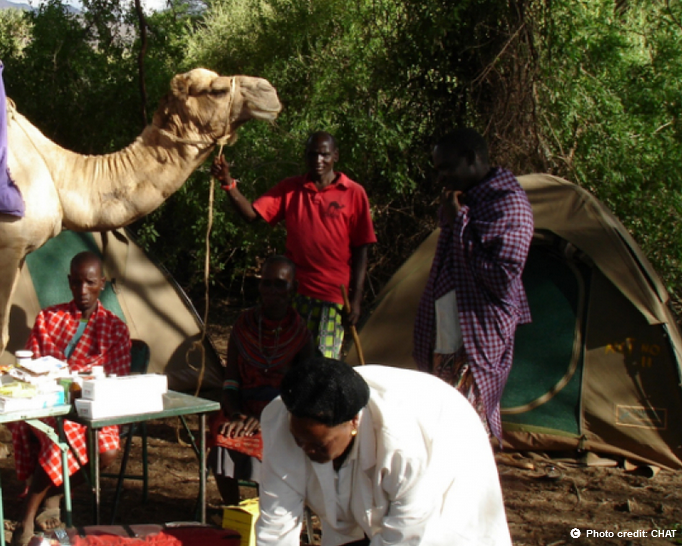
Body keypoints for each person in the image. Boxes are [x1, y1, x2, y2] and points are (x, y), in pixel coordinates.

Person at [256, 357, 512, 546]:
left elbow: (407, 531)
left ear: (353, 423)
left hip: (446, 437)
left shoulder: (401, 444)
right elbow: (276, 522)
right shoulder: (280, 422)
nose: (304, 449)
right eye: (299, 440)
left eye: (317, 445)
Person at [412, 127, 533, 440]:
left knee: (466, 413)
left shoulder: (509, 205)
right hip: (448, 328)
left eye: (447, 168)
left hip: (477, 329)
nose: (441, 178)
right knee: (440, 406)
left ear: (471, 159)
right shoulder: (462, 200)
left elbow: (503, 278)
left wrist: (461, 222)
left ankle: (467, 473)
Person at [211, 132, 376, 359]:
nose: (318, 160)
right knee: (288, 359)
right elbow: (251, 214)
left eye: (324, 154)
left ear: (335, 156)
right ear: (305, 157)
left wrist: (356, 301)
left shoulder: (354, 193)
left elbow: (362, 249)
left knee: (323, 364)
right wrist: (227, 183)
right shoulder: (291, 189)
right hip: (293, 294)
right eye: (312, 154)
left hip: (333, 297)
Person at [8, 251, 131, 546]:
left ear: (102, 283)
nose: (82, 291)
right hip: (49, 403)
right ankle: (28, 519)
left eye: (89, 283)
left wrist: (81, 383)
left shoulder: (115, 328)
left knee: (107, 452)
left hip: (95, 407)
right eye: (76, 283)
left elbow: (116, 379)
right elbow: (31, 366)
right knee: (60, 433)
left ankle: (49, 495)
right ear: (68, 282)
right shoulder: (49, 319)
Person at [211, 255, 312, 507]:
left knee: (264, 442)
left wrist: (269, 418)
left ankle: (267, 512)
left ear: (293, 289)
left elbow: (303, 393)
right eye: (266, 283)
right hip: (242, 410)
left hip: (283, 414)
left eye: (280, 284)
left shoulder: (300, 335)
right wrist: (235, 415)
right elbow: (230, 383)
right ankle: (233, 512)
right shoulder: (243, 327)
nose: (272, 291)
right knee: (223, 436)